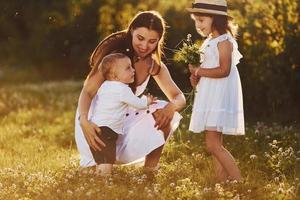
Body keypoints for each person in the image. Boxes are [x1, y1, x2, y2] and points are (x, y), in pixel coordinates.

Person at [75, 11, 186, 170]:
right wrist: (84, 121)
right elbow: (87, 92)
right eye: (140, 38)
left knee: (162, 110)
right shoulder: (115, 59)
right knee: (98, 173)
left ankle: (149, 172)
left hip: (121, 119)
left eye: (152, 41)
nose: (144, 46)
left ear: (158, 41)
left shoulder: (153, 64)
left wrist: (171, 107)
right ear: (131, 31)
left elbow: (179, 96)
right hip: (96, 120)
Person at [186, 0, 245, 181]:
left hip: (219, 97)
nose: (198, 25)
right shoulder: (209, 41)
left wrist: (198, 70)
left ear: (216, 18)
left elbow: (224, 70)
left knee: (212, 145)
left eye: (201, 20)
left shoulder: (224, 40)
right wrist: (197, 78)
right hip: (211, 94)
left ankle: (239, 181)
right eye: (196, 20)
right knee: (215, 144)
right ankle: (222, 183)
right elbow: (209, 71)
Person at [87, 53, 156, 175]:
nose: (133, 70)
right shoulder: (123, 89)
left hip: (95, 127)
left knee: (101, 160)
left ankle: (98, 179)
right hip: (107, 130)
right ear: (115, 76)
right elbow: (138, 104)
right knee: (107, 161)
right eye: (128, 68)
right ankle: (103, 184)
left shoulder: (104, 86)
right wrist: (147, 101)